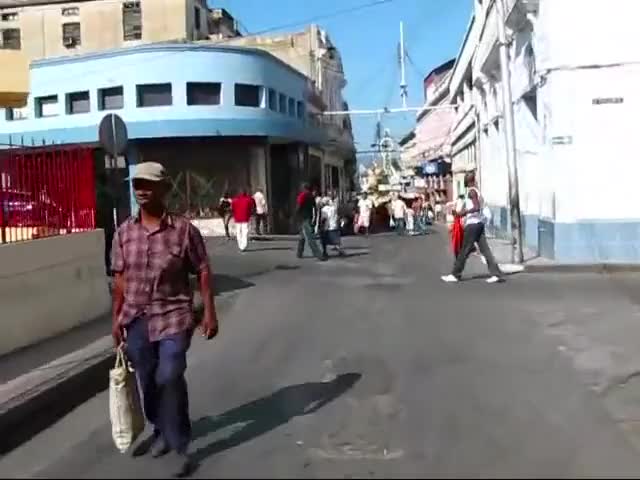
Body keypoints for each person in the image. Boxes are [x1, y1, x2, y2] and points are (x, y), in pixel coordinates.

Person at [110, 162, 218, 478]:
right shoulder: (124, 233)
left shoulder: (183, 230)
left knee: (169, 375)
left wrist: (209, 311)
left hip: (174, 315)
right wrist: (116, 319)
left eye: (148, 184)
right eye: (137, 184)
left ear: (164, 188)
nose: (141, 190)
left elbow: (202, 269)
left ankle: (181, 445)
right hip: (137, 318)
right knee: (147, 378)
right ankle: (160, 430)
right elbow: (120, 279)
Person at [442, 172, 503, 284]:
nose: (465, 181)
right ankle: (496, 274)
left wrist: (463, 213)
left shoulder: (472, 192)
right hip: (479, 224)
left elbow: (476, 207)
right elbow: (474, 207)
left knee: (464, 250)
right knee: (485, 250)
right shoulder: (476, 192)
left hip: (473, 225)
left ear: (468, 181)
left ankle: (455, 274)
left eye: (466, 179)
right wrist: (459, 213)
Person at [296, 183, 326, 261]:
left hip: (303, 218)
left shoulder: (302, 195)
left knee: (310, 238)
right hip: (308, 218)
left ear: (304, 188)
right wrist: (314, 219)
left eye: (301, 187)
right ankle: (299, 253)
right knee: (302, 236)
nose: (300, 189)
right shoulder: (311, 196)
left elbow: (298, 206)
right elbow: (315, 208)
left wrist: (295, 216)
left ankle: (319, 255)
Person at [231, 188, 254, 252]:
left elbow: (232, 209)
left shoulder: (234, 200)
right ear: (245, 193)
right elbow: (251, 209)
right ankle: (243, 245)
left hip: (237, 218)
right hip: (245, 218)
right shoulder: (248, 200)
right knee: (245, 232)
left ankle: (240, 245)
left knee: (238, 232)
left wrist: (234, 215)